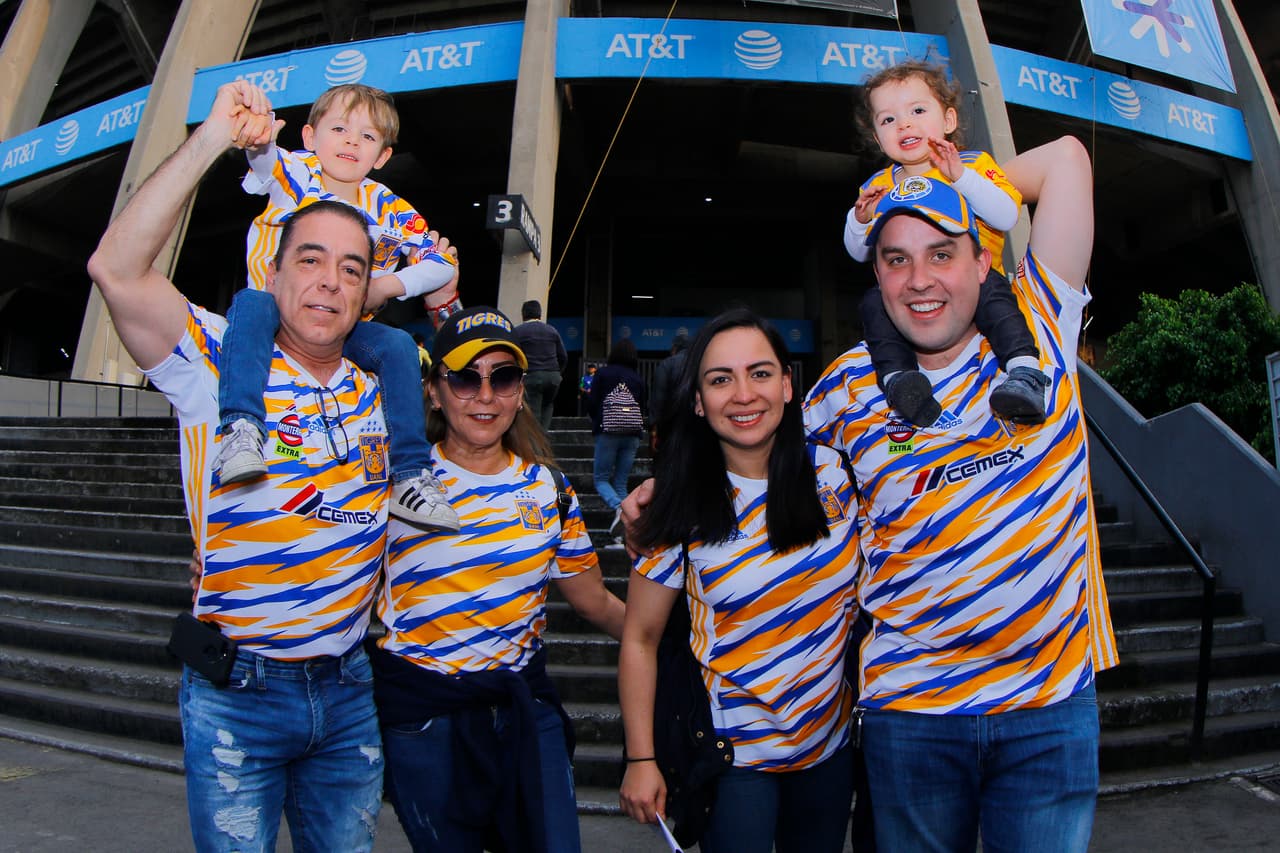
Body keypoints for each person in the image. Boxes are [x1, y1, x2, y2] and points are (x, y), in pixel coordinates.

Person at [86, 82, 402, 852]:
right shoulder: (222, 356)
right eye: (311, 259)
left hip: (351, 690)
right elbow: (117, 269)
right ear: (277, 271)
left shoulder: (389, 385)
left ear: (368, 290)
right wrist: (211, 140)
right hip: (239, 693)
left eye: (352, 268)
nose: (330, 279)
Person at [804, 138, 1115, 851]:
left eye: (942, 252)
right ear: (875, 277)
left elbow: (1068, 158)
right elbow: (753, 459)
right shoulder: (847, 383)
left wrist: (930, 168)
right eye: (896, 258)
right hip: (911, 712)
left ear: (984, 261)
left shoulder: (1041, 328)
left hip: (1049, 710)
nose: (920, 279)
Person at [370, 305, 625, 853]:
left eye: (502, 377)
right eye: (465, 378)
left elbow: (596, 604)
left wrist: (682, 638)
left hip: (523, 712)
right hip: (425, 719)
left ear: (519, 390)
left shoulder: (551, 491)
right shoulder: (391, 483)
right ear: (434, 391)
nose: (485, 396)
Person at [616, 309, 861, 852]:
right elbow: (640, 639)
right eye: (721, 379)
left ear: (789, 385)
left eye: (760, 372)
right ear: (699, 402)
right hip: (734, 761)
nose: (744, 394)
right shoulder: (676, 506)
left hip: (831, 750)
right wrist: (640, 758)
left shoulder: (841, 475)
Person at [214, 82, 459, 531]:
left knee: (399, 346)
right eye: (340, 128)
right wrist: (261, 139)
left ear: (382, 156)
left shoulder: (388, 206)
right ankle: (240, 429)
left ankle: (409, 473)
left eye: (367, 137)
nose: (351, 141)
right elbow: (266, 163)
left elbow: (442, 261)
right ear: (310, 136)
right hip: (274, 310)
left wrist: (387, 284)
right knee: (248, 305)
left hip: (344, 328)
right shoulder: (296, 171)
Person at [843, 61, 1050, 428]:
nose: (904, 124)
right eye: (888, 120)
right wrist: (859, 220)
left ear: (949, 121)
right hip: (916, 296)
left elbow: (1006, 215)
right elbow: (858, 253)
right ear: (878, 138)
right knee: (873, 303)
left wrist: (961, 178)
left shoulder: (972, 164)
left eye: (918, 111)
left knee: (998, 304)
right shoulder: (878, 184)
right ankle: (900, 383)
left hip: (978, 280)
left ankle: (1024, 372)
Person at [586, 338, 647, 536]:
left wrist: (598, 422)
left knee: (601, 479)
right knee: (620, 483)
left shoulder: (603, 373)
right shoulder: (637, 378)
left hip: (608, 432)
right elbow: (643, 406)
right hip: (632, 434)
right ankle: (628, 526)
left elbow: (593, 402)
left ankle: (619, 508)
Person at [513, 298, 568, 431]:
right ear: (539, 314)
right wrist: (558, 373)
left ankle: (535, 446)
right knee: (548, 405)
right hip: (553, 377)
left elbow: (512, 356)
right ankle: (544, 440)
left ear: (523, 314)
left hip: (532, 376)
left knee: (533, 413)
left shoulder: (518, 331)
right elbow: (563, 356)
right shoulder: (552, 330)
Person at [647, 333, 688, 450]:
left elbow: (657, 400)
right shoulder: (701, 363)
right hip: (697, 425)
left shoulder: (667, 364)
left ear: (675, 348)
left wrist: (654, 431)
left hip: (670, 425)